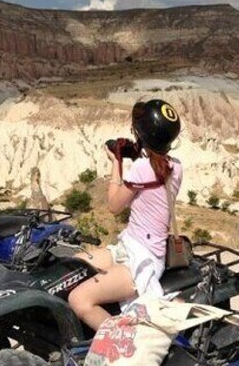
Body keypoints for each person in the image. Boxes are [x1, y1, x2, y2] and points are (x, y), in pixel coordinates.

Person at [68, 98, 183, 331]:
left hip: (141, 258)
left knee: (79, 300)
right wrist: (138, 151)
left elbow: (113, 205)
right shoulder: (176, 166)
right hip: (129, 246)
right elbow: (155, 168)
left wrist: (116, 161)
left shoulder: (142, 169)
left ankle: (121, 342)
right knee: (72, 266)